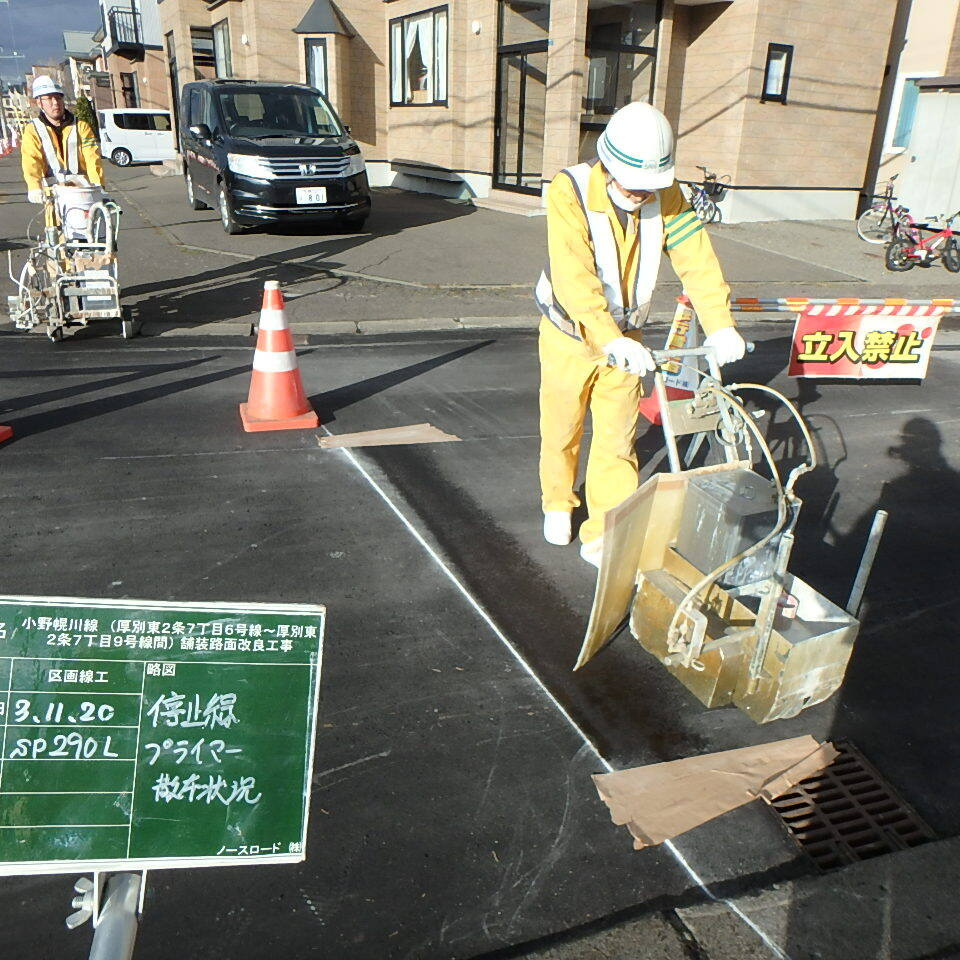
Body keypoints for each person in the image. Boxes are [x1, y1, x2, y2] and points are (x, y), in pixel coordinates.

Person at [535, 101, 745, 567]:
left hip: (629, 340)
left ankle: (604, 530)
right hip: (571, 335)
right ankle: (558, 501)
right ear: (609, 165)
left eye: (651, 187)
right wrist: (609, 338)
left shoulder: (665, 195)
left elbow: (697, 258)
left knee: (617, 438)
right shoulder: (568, 191)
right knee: (562, 427)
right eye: (635, 185)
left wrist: (721, 323)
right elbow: (574, 276)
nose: (642, 194)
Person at [21, 75, 103, 206]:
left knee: (89, 225)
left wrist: (98, 185)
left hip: (82, 193)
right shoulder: (33, 130)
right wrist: (34, 187)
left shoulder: (81, 127)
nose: (55, 102)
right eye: (49, 98)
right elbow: (31, 160)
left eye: (58, 97)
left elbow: (92, 158)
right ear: (39, 102)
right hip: (53, 196)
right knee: (54, 226)